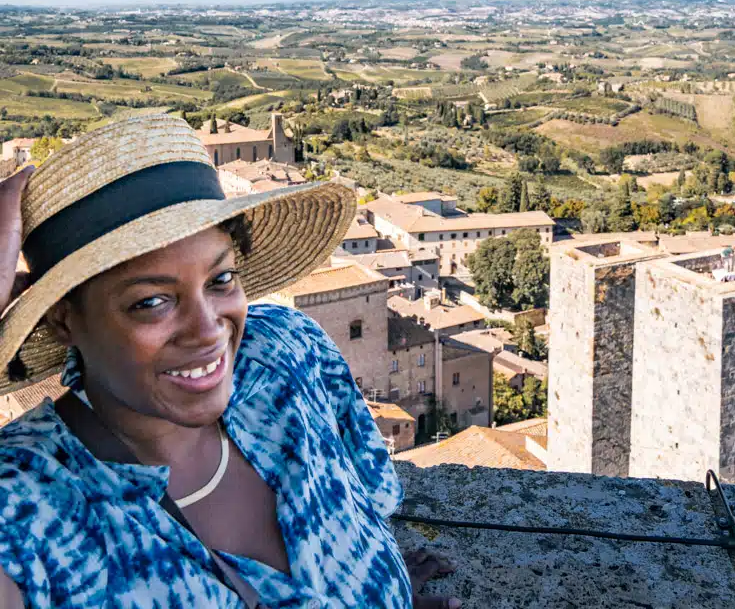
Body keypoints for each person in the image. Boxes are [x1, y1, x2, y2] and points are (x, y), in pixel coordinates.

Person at [0, 116, 460, 609]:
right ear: (62, 321)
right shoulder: (27, 502)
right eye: (151, 301)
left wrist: (380, 591)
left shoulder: (285, 351)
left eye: (221, 280)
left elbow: (367, 511)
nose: (209, 329)